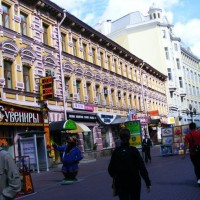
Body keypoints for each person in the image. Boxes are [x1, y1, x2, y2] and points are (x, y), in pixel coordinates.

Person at [108, 128, 151, 200]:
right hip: (135, 182)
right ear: (129, 137)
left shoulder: (116, 152)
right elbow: (142, 168)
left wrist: (117, 175)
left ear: (120, 138)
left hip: (121, 183)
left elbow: (110, 170)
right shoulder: (134, 151)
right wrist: (147, 182)